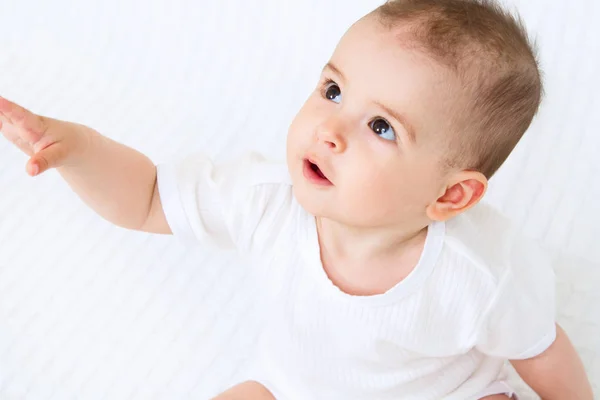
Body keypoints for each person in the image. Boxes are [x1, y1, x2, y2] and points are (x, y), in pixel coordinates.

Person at [0, 0, 593, 398]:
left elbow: (542, 350)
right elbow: (151, 197)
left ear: (451, 194)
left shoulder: (481, 274)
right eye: (333, 89)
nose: (329, 130)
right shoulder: (265, 202)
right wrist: (77, 148)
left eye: (381, 127)